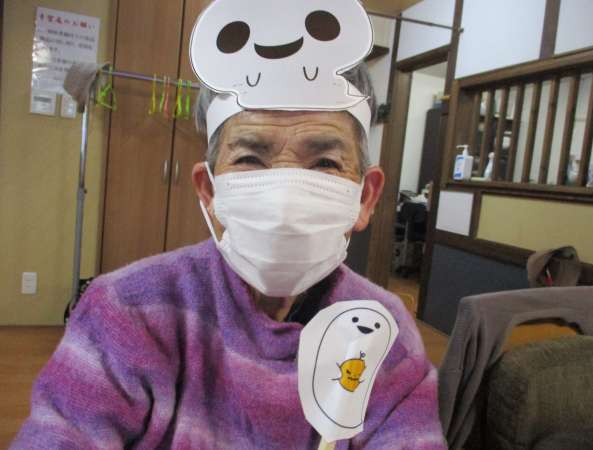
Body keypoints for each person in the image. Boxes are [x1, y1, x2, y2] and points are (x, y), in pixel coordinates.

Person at [11, 64, 446, 449]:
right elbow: (61, 432)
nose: (284, 203)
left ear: (365, 197)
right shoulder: (127, 312)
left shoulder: (382, 333)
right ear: (209, 191)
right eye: (250, 157)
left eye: (325, 163)